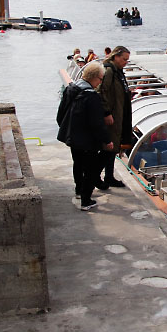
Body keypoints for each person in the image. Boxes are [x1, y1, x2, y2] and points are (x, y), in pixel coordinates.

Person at [56, 63, 111, 211]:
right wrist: (106, 140)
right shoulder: (91, 96)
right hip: (86, 139)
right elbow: (96, 123)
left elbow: (60, 114)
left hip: (72, 136)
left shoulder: (71, 89)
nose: (100, 82)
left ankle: (79, 190)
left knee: (78, 163)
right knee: (90, 169)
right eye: (100, 79)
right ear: (93, 78)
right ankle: (86, 200)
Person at [97, 46, 132, 188]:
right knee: (108, 149)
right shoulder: (109, 71)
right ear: (115, 56)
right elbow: (101, 91)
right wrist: (106, 112)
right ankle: (95, 176)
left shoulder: (118, 72)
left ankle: (109, 176)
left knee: (114, 148)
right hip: (111, 116)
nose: (125, 62)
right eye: (124, 59)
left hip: (118, 114)